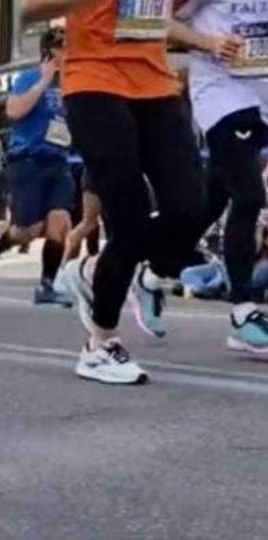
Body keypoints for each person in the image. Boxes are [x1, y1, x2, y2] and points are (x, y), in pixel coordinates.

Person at [24, 0, 210, 383]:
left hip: (156, 84)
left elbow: (162, 15)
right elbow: (29, 9)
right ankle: (99, 345)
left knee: (191, 207)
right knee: (129, 216)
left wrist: (206, 39)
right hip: (94, 82)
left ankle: (98, 271)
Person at [170, 0, 268, 353]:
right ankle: (242, 313)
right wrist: (207, 42)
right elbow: (156, 21)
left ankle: (153, 268)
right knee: (249, 195)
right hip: (221, 95)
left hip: (261, 93)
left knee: (210, 201)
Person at [0, 27, 75, 308]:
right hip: (28, 160)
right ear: (50, 51)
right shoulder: (28, 78)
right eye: (62, 48)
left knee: (60, 222)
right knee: (28, 230)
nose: (68, 54)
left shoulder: (72, 85)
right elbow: (14, 111)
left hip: (58, 161)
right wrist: (43, 83)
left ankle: (46, 285)